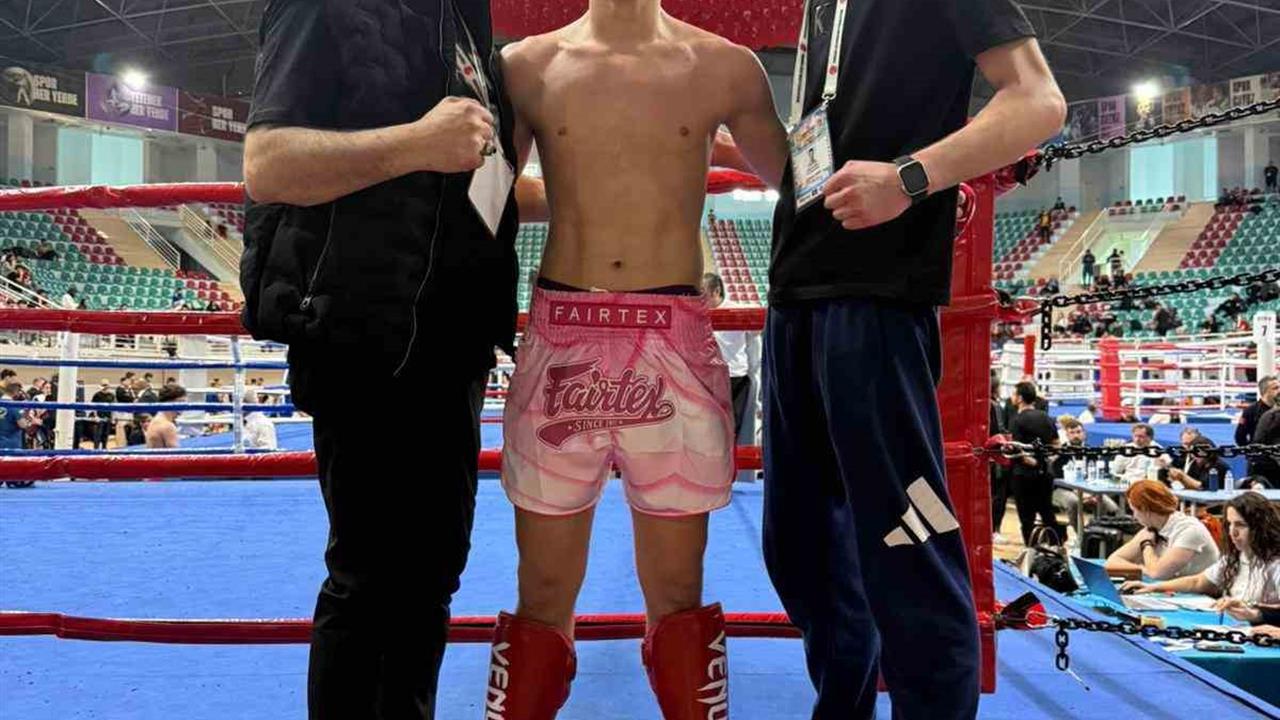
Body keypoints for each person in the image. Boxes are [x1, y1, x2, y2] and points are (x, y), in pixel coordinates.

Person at [714, 0, 1064, 713]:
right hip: (796, 293)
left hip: (878, 297)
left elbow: (1038, 101)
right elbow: (824, 163)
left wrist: (910, 177)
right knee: (803, 555)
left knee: (909, 550)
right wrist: (739, 152)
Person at [241, 0, 553, 716]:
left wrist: (626, 185)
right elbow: (268, 164)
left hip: (454, 343)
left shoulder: (466, 24)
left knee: (431, 576)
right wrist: (415, 143)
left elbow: (479, 183)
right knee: (368, 579)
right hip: (362, 337)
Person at [494, 5, 788, 715]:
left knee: (679, 596)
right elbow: (485, 192)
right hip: (563, 336)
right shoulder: (525, 66)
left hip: (673, 341)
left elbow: (807, 184)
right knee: (541, 594)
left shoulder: (726, 66)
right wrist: (583, 184)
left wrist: (918, 175)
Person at [1124, 492, 1280, 607]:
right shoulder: (1236, 557)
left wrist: (1254, 611)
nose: (1232, 532)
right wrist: (1153, 587)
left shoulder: (1276, 564)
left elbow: (1158, 573)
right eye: (1229, 524)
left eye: (1240, 525)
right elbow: (1198, 582)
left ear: (1260, 527)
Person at [1104, 480, 1219, 580]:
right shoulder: (1152, 528)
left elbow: (1157, 573)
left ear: (1145, 510)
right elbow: (1112, 562)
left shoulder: (1189, 530)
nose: (1134, 516)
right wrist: (1142, 569)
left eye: (1134, 510)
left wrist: (1146, 545)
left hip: (1202, 594)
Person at [1009, 381, 1063, 544]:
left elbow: (1016, 449)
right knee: (1047, 513)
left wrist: (1032, 462)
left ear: (1020, 398)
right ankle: (1056, 546)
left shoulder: (1017, 420)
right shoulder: (1046, 417)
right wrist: (1045, 461)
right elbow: (1057, 444)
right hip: (1045, 473)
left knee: (1027, 518)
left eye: (1014, 394)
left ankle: (1031, 549)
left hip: (1023, 474)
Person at [703, 272, 753, 440]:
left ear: (716, 291)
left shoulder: (738, 310)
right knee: (711, 427)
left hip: (735, 376)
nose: (699, 297)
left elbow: (759, 329)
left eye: (703, 292)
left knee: (733, 428)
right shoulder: (699, 314)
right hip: (710, 376)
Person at [1051, 417, 1117, 530]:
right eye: (1072, 433)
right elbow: (1057, 479)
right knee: (1074, 502)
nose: (1076, 435)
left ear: (1084, 434)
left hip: (1088, 489)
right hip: (1063, 489)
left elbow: (1097, 474)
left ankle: (1096, 532)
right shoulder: (1060, 453)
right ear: (1067, 435)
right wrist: (1079, 493)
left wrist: (1091, 493)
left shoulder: (1091, 451)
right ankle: (1080, 535)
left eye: (1078, 432)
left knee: (1111, 507)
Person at [1167, 434, 1232, 491]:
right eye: (1192, 453)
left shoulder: (1219, 466)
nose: (1193, 456)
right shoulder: (1194, 463)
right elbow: (1188, 485)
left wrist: (1182, 477)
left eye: (1196, 453)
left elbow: (1203, 487)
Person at [1237, 375, 1277, 464]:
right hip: (1260, 461)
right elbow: (1240, 437)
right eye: (1275, 388)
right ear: (1265, 391)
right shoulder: (1251, 411)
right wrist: (1252, 453)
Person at [144, 384, 186, 449]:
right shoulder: (167, 426)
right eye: (182, 402)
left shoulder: (156, 420)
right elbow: (175, 454)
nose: (184, 406)